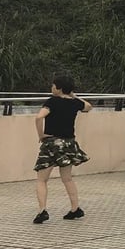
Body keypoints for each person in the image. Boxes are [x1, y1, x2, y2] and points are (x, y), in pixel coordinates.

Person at [32, 75, 92, 224]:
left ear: (58, 88)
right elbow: (88, 107)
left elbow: (39, 117)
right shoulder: (74, 103)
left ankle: (42, 211)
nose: (51, 88)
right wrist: (73, 95)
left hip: (52, 144)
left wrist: (41, 135)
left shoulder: (52, 101)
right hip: (69, 144)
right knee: (67, 178)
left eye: (53, 86)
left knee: (41, 179)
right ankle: (75, 208)